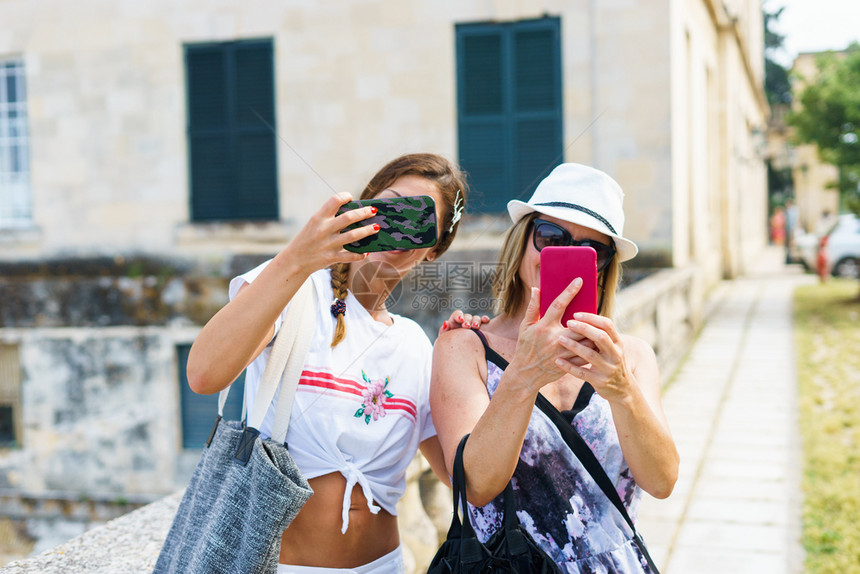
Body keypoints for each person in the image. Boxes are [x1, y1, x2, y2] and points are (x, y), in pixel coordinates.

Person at [186, 153, 469, 574]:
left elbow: (463, 477)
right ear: (361, 208)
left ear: (433, 250)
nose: (395, 226)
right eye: (389, 206)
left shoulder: (415, 345)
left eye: (417, 220)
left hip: (385, 566)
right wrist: (299, 256)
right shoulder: (296, 290)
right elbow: (204, 374)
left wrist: (472, 358)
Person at [430, 163, 679, 572]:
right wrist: (524, 375)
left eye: (589, 250)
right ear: (522, 241)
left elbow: (662, 481)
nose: (559, 254)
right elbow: (476, 486)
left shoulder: (632, 357)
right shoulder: (465, 347)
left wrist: (621, 389)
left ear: (604, 266)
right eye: (550, 236)